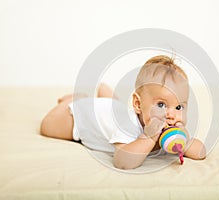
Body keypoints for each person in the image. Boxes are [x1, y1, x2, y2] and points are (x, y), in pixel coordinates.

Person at [40, 55, 206, 170]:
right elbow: (122, 162)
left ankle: (107, 96)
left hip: (113, 112)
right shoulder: (127, 126)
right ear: (138, 104)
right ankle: (73, 100)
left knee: (115, 108)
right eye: (161, 104)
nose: (171, 115)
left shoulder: (166, 130)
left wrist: (186, 140)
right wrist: (148, 137)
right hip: (83, 115)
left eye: (179, 107)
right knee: (47, 127)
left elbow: (201, 152)